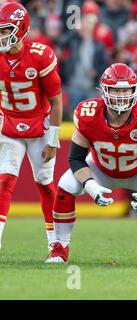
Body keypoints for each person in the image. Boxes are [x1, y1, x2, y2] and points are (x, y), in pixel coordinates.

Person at [46, 63, 137, 266]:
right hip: (100, 169)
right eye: (115, 89)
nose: (121, 95)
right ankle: (60, 248)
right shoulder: (88, 114)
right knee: (66, 187)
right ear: (104, 90)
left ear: (135, 90)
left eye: (125, 89)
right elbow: (76, 158)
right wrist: (91, 185)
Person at [0, 2, 63, 251]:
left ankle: (56, 244)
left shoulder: (40, 54)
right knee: (5, 181)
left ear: (21, 28)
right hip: (8, 123)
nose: (2, 35)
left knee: (45, 183)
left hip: (40, 125)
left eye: (6, 29)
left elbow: (56, 100)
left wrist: (54, 139)